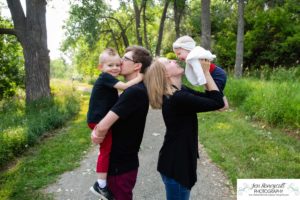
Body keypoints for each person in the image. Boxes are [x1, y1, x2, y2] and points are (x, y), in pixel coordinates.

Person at [143, 57, 225, 200]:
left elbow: (215, 100)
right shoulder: (178, 98)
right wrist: (206, 73)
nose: (174, 60)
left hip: (176, 161)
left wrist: (204, 73)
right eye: (169, 62)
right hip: (176, 166)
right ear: (166, 74)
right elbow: (217, 102)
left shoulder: (180, 92)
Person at [91, 46, 153, 200]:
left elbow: (103, 126)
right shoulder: (134, 90)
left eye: (125, 59)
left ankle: (100, 185)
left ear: (137, 66)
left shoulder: (134, 91)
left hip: (121, 164)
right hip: (122, 162)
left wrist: (97, 132)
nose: (120, 61)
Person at [173, 35, 229, 110]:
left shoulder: (193, 57)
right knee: (212, 93)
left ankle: (223, 105)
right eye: (177, 55)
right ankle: (221, 104)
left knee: (214, 93)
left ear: (187, 49)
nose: (178, 57)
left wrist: (201, 81)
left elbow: (199, 71)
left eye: (179, 53)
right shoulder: (192, 57)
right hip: (214, 74)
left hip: (217, 74)